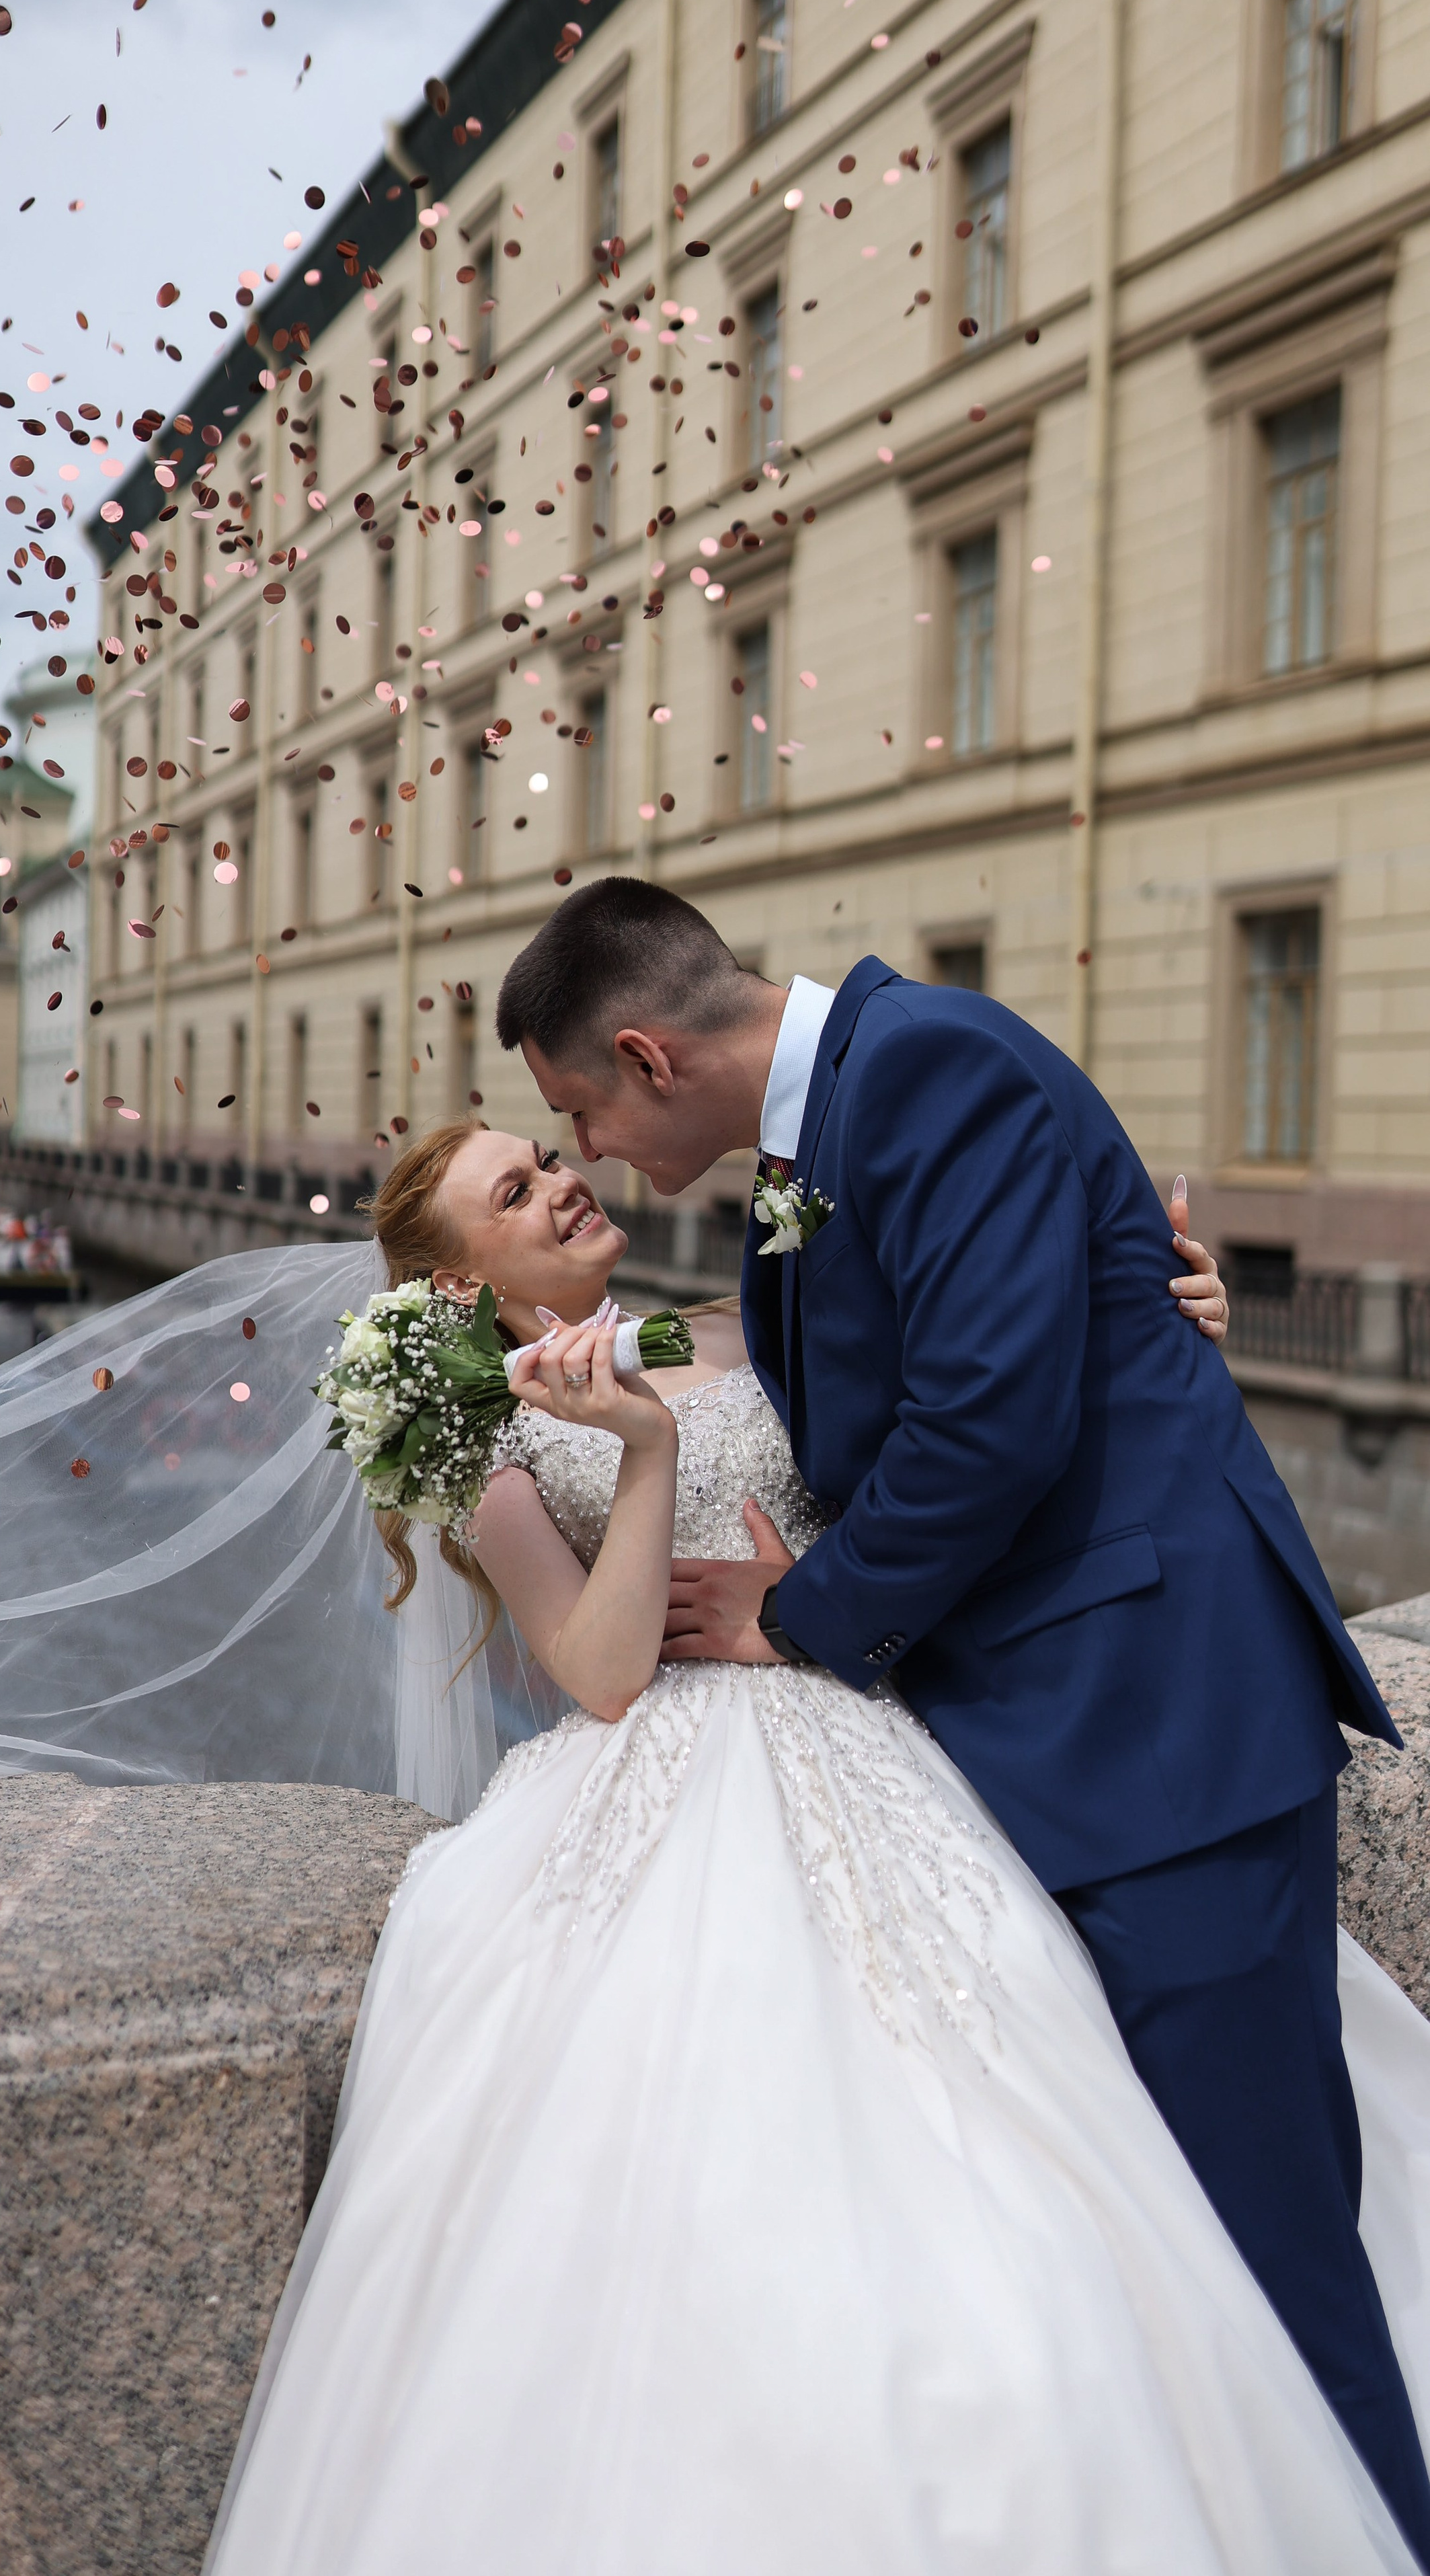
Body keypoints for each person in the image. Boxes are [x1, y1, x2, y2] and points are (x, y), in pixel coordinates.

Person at [202, 1110, 1430, 2575]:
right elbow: (595, 1669)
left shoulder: (741, 1316)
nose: (561, 1182)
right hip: (675, 1765)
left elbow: (977, 1432)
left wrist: (1166, 1323)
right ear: (463, 1287)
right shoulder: (484, 1439)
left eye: (547, 1153)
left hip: (877, 1722)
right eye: (515, 1191)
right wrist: (643, 1452)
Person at [485, 875, 1430, 2567]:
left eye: (581, 1116)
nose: (597, 1159)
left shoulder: (931, 1071)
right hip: (1042, 1747)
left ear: (643, 1053)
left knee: (1269, 2251)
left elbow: (987, 1420)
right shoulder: (830, 1128)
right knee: (1167, 2275)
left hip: (1155, 1732)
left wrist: (799, 1616)